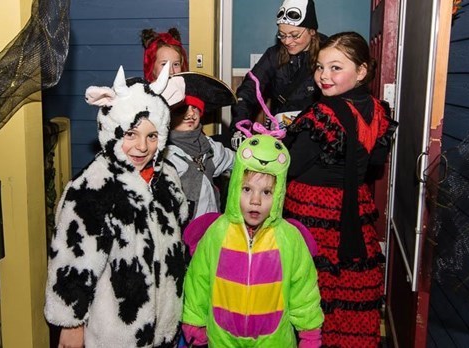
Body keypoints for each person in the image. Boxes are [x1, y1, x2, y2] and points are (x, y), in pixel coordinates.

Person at [44, 63, 189, 347]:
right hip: (115, 334)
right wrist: (71, 323)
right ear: (112, 131)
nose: (142, 147)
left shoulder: (168, 179)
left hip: (164, 329)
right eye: (130, 134)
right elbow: (72, 259)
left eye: (152, 135)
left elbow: (176, 238)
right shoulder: (92, 188)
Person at [283, 32, 398, 347]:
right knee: (346, 292)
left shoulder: (323, 114)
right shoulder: (378, 110)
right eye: (320, 67)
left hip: (313, 216)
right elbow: (375, 160)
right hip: (354, 212)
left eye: (336, 68)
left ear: (361, 71)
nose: (324, 76)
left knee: (308, 293)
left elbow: (288, 166)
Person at [181, 133, 324, 347]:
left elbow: (304, 290)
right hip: (222, 339)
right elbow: (198, 280)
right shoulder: (217, 233)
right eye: (247, 189)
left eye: (266, 192)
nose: (255, 201)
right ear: (236, 186)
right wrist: (194, 323)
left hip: (274, 341)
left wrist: (310, 333)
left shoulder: (289, 238)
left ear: (278, 196)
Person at [229, 0, 325, 149]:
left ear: (312, 31)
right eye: (282, 35)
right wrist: (240, 125)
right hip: (281, 133)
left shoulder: (328, 52)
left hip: (316, 134)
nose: (287, 41)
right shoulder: (274, 55)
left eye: (294, 35)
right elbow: (250, 88)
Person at [162, 72, 237, 220]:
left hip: (212, 229)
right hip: (183, 233)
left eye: (195, 108)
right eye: (182, 109)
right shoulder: (165, 155)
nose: (191, 114)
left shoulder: (209, 147)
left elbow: (236, 160)